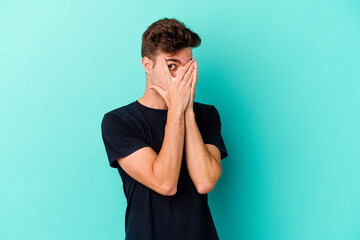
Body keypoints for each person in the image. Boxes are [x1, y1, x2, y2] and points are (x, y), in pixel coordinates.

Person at [101, 17, 228, 240]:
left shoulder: (207, 115)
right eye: (171, 66)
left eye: (187, 66)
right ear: (147, 65)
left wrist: (186, 109)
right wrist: (177, 110)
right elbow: (165, 183)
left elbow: (205, 181)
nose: (181, 76)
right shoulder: (118, 122)